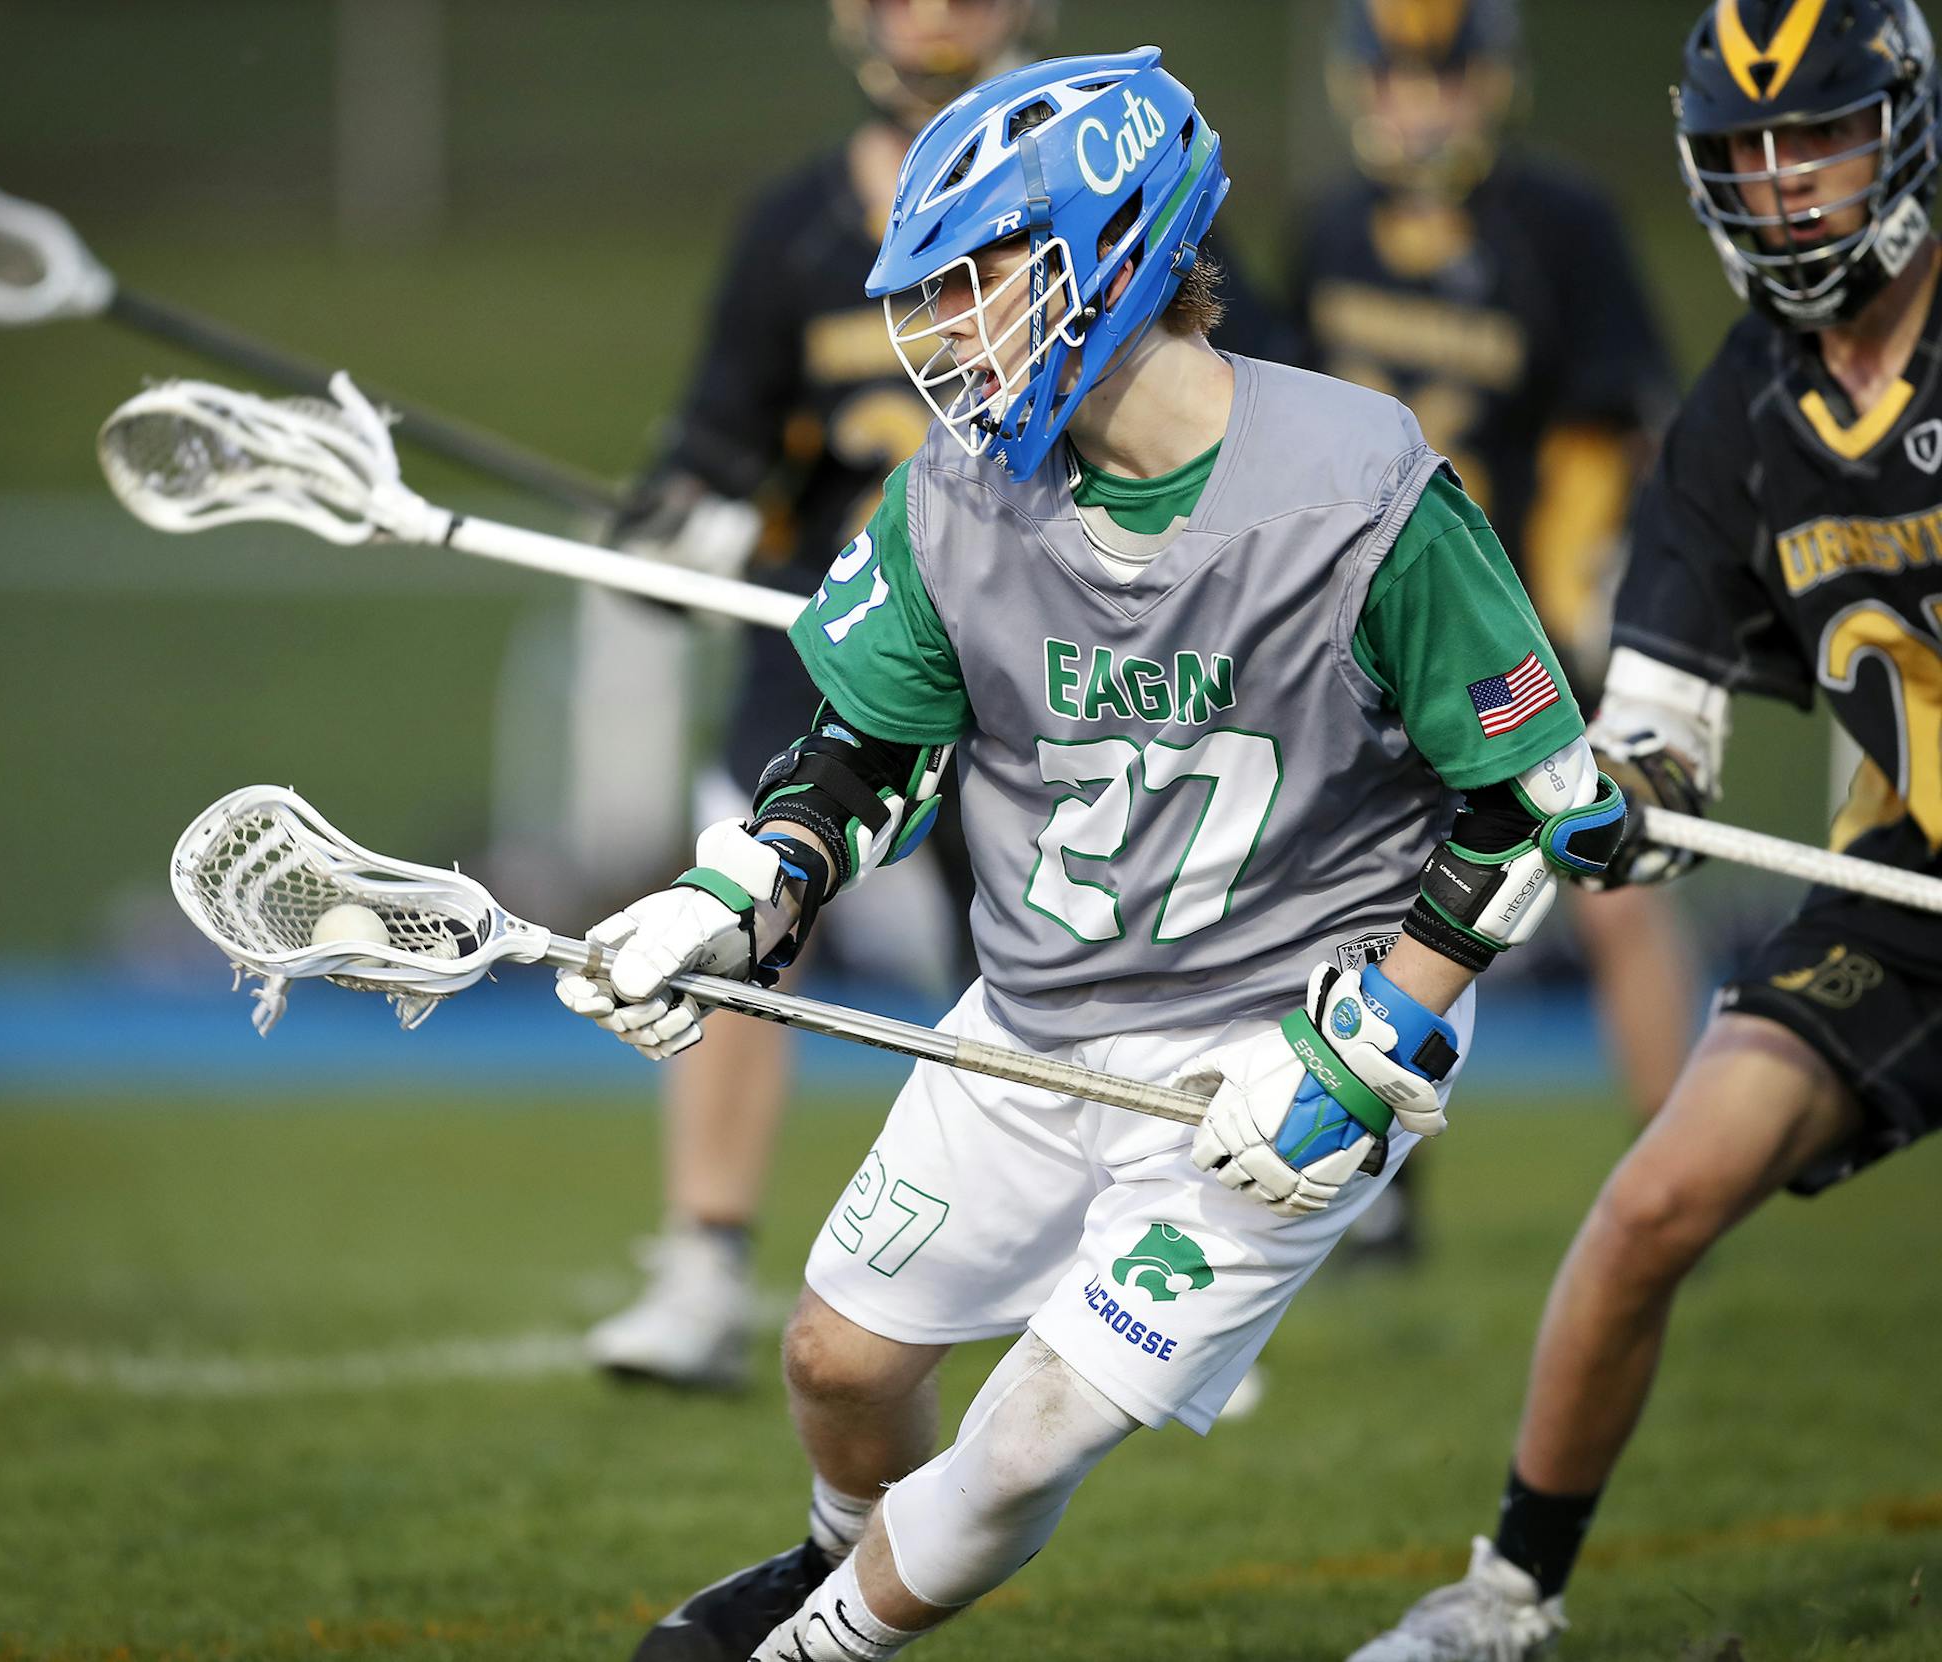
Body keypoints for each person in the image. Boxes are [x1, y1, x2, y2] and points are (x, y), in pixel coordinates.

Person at [556, 46, 1625, 1660]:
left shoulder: (1356, 487)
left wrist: (1378, 1030)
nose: (944, 332)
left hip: (1285, 1037)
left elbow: (1529, 795)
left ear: (1111, 258)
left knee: (1041, 1417)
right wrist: (740, 891)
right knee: (838, 1364)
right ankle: (834, 1558)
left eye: (982, 279)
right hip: (1040, 1014)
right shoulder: (960, 497)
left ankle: (814, 1643)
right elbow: (863, 752)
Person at [584, 0, 1296, 1391]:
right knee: (742, 854)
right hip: (849, 635)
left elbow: (1243, 399)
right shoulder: (793, 229)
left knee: (1061, 932)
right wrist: (683, 518)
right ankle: (703, 1255)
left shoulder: (1110, 178)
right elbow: (715, 444)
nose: (938, 17)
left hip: (1062, 625)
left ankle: (1146, 1259)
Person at [1349, 2, 1942, 1655]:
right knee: (1652, 1204)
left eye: (1812, 138)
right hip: (1904, 879)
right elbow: (1662, 729)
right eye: (1743, 154)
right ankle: (1505, 1595)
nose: (1781, 185)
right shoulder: (1739, 418)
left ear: (1897, 128)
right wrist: (1634, 807)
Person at [1291, 0, 1697, 1264]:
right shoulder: (1328, 229)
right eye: (1402, 77)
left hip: (1516, 609)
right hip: (1360, 615)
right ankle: (1372, 1178)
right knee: (1354, 897)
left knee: (1614, 884)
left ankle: (1685, 1160)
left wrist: (1567, 607)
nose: (1423, 104)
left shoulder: (1558, 222)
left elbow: (1616, 421)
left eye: (1446, 77)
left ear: (1492, 86)